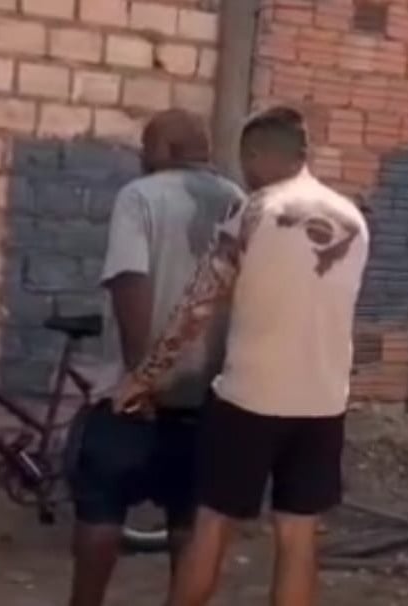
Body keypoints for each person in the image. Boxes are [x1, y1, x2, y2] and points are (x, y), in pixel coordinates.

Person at [116, 105, 369, 606]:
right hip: (323, 402)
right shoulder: (354, 220)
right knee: (297, 535)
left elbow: (198, 306)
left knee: (212, 525)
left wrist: (143, 377)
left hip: (249, 400)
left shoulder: (255, 213)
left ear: (254, 155)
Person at [65, 108, 245, 606]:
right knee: (188, 521)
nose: (142, 159)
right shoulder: (239, 203)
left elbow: (130, 282)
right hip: (206, 396)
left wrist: (142, 377)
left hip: (135, 395)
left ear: (164, 149)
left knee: (101, 512)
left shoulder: (140, 197)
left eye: (146, 149)